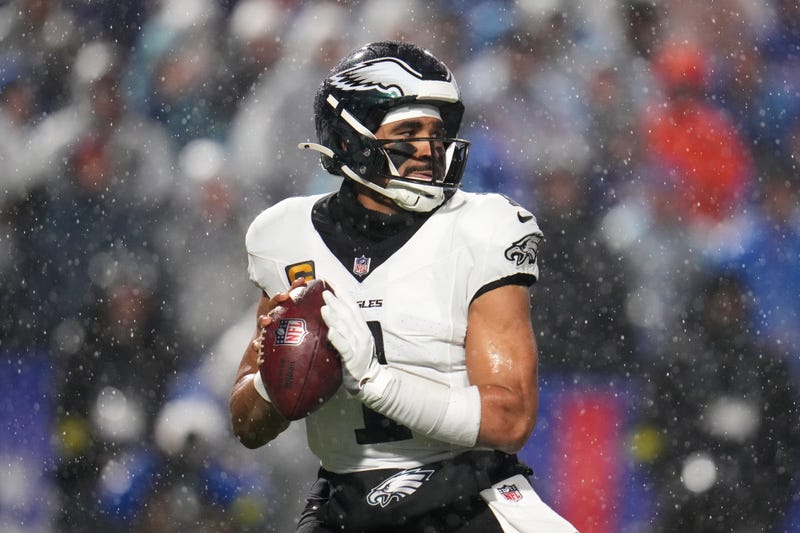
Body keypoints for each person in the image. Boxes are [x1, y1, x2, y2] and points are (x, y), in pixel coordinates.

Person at [229, 41, 578, 533]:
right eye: (408, 131)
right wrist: (278, 377)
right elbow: (246, 425)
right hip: (344, 504)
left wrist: (376, 382)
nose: (428, 149)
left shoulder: (482, 227)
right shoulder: (286, 237)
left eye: (436, 133)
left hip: (464, 495)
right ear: (350, 138)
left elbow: (510, 418)